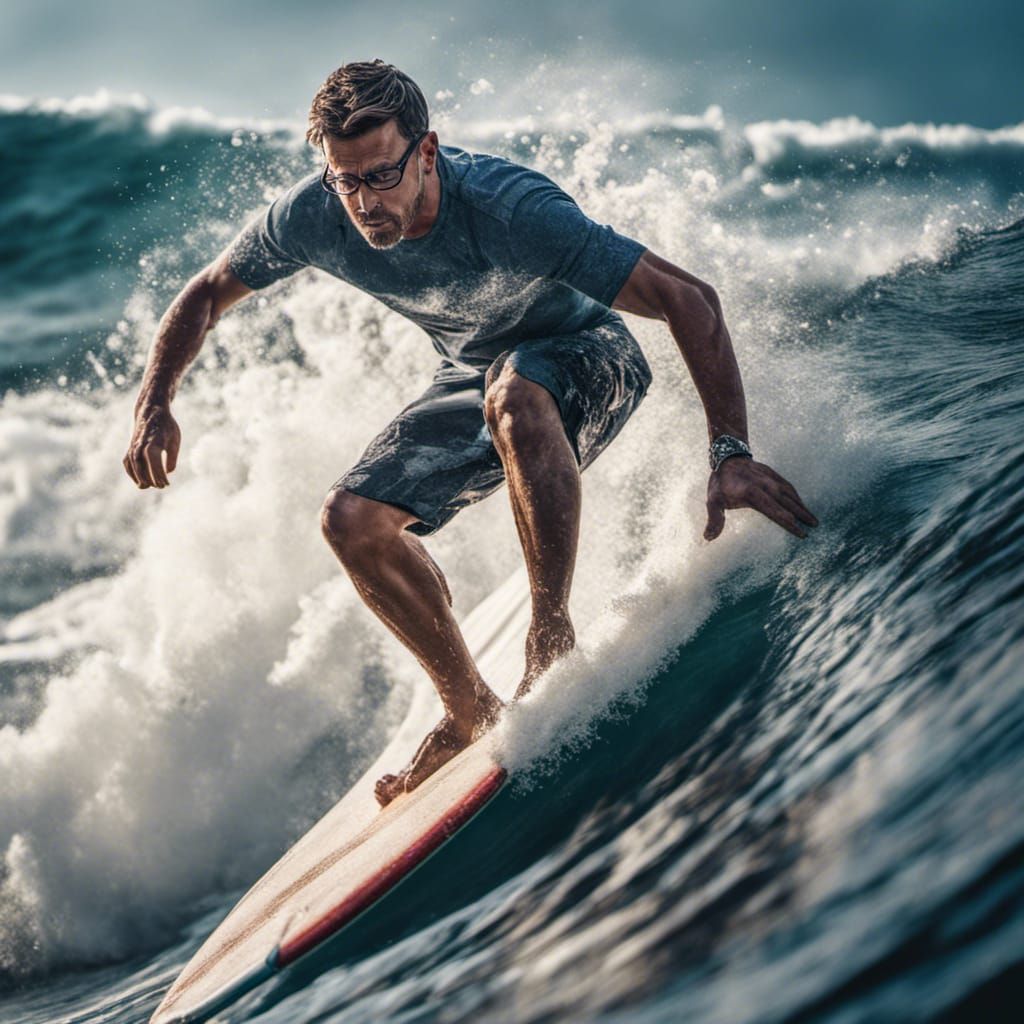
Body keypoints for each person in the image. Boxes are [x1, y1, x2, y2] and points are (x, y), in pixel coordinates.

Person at [123, 60, 818, 808]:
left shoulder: (509, 209)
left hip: (590, 355)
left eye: (381, 175)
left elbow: (689, 298)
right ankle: (467, 708)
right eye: (345, 181)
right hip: (475, 373)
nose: (364, 202)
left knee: (516, 394)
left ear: (426, 151)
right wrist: (154, 403)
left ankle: (549, 637)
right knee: (350, 522)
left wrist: (730, 452)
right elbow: (207, 292)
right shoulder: (313, 214)